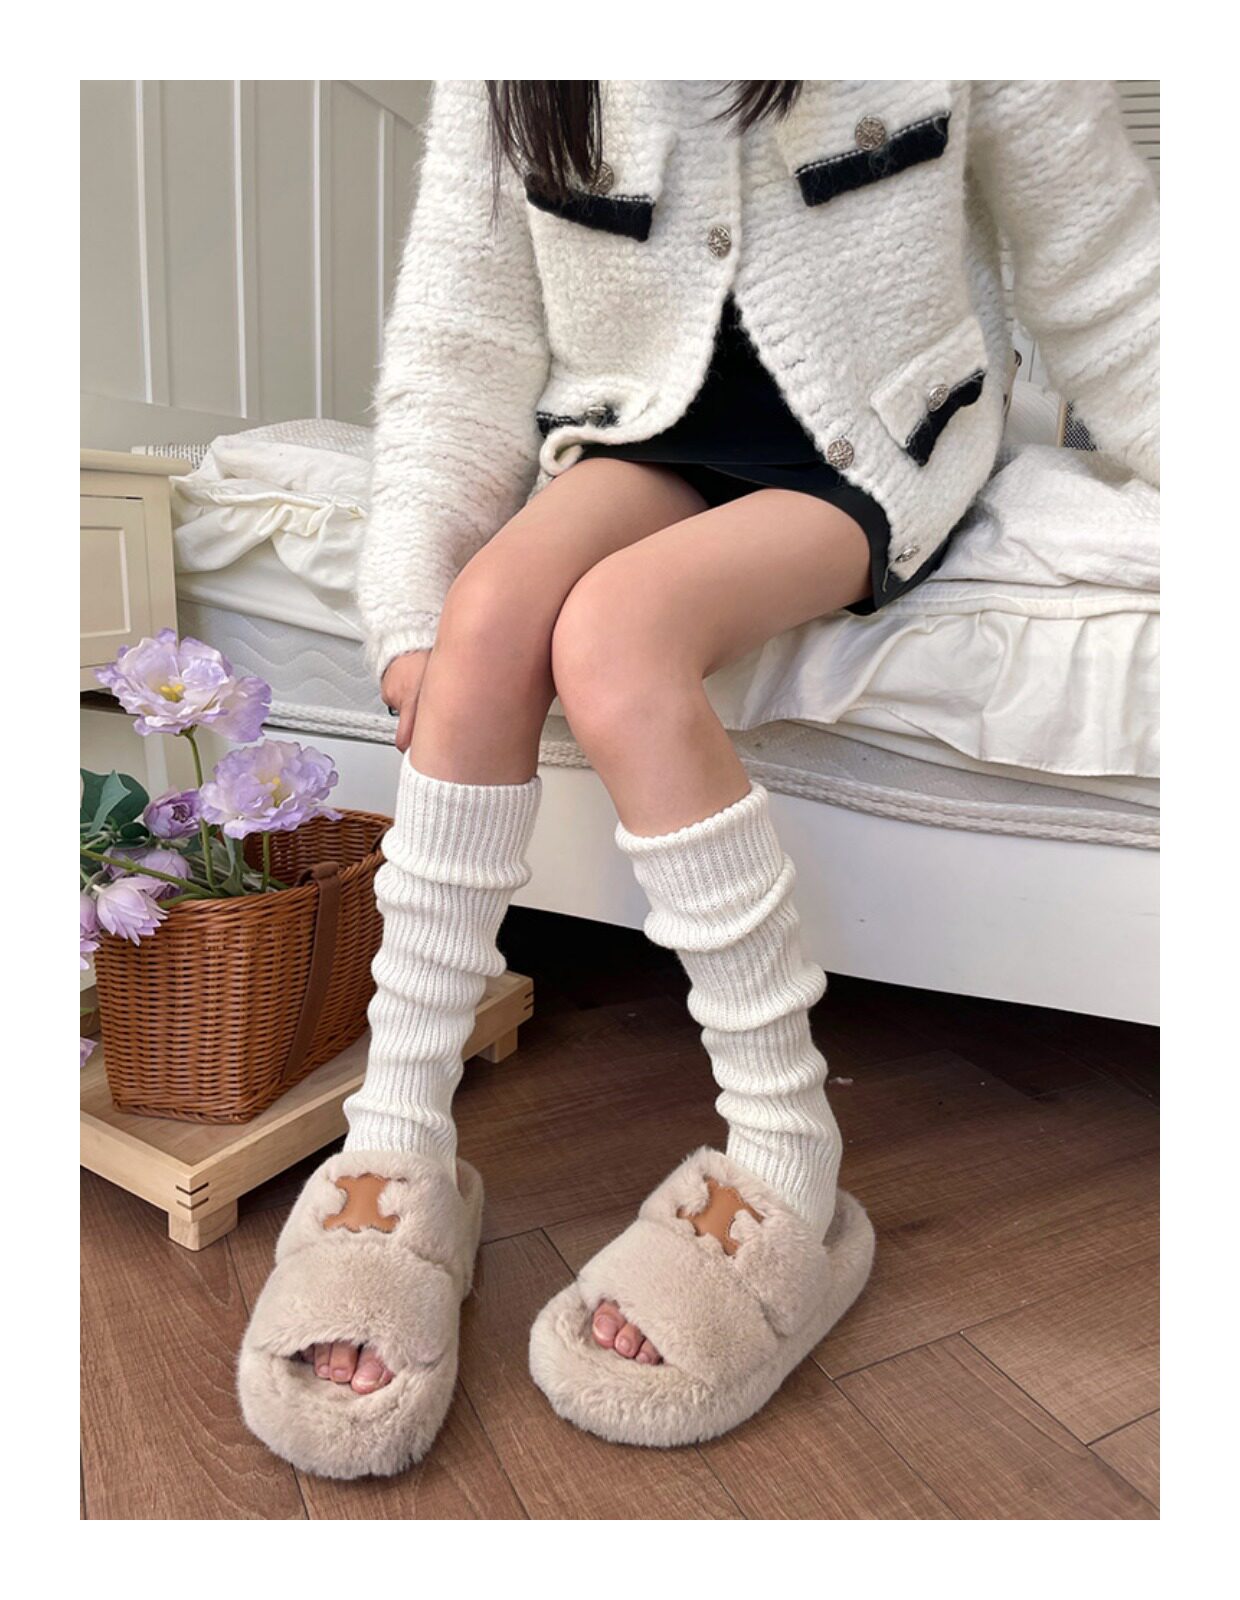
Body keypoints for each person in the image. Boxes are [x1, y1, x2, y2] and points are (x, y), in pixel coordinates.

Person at [238, 79, 1159, 1479]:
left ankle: (787, 1146)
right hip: (642, 437)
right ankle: (396, 1132)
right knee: (479, 625)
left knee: (615, 637)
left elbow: (1110, 281)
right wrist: (407, 605)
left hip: (874, 448)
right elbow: (460, 346)